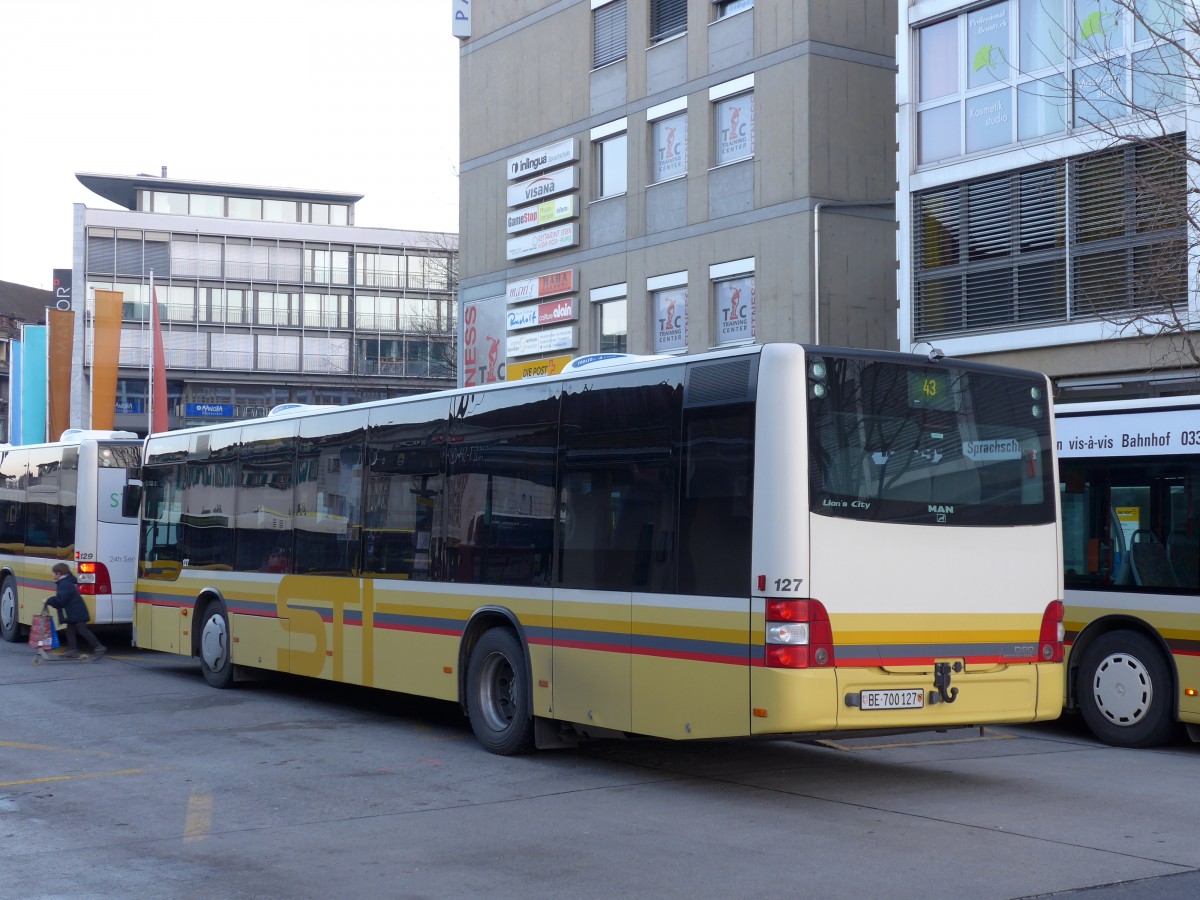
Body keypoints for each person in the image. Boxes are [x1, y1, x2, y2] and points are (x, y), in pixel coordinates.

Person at [43, 562, 105, 659]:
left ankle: (99, 647)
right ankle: (73, 650)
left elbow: (61, 599)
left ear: (58, 574)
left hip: (77, 612)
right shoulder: (67, 581)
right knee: (70, 630)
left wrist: (48, 601)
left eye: (53, 573)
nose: (52, 575)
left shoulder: (64, 584)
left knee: (83, 630)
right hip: (74, 612)